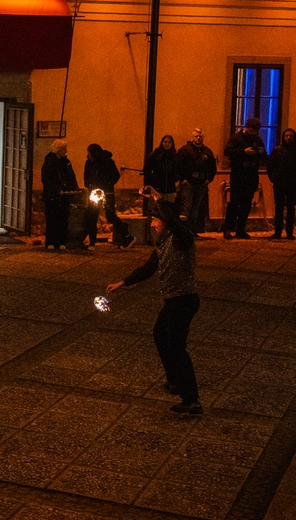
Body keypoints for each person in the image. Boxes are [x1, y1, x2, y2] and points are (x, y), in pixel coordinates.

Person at [106, 187, 202, 414]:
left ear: (166, 222)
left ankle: (192, 399)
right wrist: (123, 282)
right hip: (173, 301)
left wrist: (158, 197)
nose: (152, 224)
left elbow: (175, 221)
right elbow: (148, 268)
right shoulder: (162, 244)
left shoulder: (182, 239)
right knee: (160, 334)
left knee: (177, 347)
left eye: (156, 220)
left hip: (184, 300)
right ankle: (174, 380)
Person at [84, 143, 135, 250]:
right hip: (94, 193)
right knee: (92, 215)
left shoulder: (107, 162)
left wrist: (105, 185)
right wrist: (89, 185)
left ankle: (127, 236)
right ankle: (92, 242)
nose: (89, 156)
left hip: (107, 193)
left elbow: (115, 176)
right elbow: (86, 177)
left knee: (110, 215)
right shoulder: (89, 163)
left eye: (90, 154)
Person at [223, 118, 267, 239]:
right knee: (234, 202)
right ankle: (228, 228)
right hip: (238, 175)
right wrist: (243, 152)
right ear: (246, 128)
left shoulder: (257, 140)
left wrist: (261, 152)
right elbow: (227, 151)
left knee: (246, 204)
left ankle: (241, 229)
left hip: (251, 175)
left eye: (255, 131)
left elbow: (264, 156)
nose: (253, 133)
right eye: (251, 131)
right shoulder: (236, 138)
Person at [266, 128, 296, 240]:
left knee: (291, 208)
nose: (288, 138)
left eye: (291, 136)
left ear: (294, 137)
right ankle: (278, 231)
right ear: (283, 137)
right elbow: (270, 167)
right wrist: (273, 179)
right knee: (279, 207)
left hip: (292, 184)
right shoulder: (277, 151)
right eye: (286, 136)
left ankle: (289, 232)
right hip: (279, 183)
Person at [177, 128, 217, 235]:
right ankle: (183, 231)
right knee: (186, 207)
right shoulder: (185, 150)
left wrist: (209, 179)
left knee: (196, 208)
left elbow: (212, 167)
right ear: (192, 137)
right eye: (196, 136)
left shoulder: (207, 151)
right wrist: (182, 178)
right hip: (188, 183)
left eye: (200, 136)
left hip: (201, 183)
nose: (198, 138)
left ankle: (192, 230)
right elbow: (179, 165)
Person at [41, 138, 79, 250]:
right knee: (52, 219)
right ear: (58, 149)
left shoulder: (66, 162)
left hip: (64, 196)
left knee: (63, 219)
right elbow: (46, 179)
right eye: (64, 149)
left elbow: (71, 176)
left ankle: (62, 241)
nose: (66, 151)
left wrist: (74, 188)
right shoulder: (49, 162)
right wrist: (57, 189)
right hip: (52, 196)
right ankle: (51, 242)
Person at [144, 134, 179, 203]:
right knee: (157, 206)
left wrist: (176, 178)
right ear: (162, 142)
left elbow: (178, 169)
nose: (167, 144)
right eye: (165, 142)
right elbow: (146, 169)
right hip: (157, 189)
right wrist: (151, 181)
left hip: (170, 189)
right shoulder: (155, 155)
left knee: (169, 207)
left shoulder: (175, 156)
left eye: (169, 142)